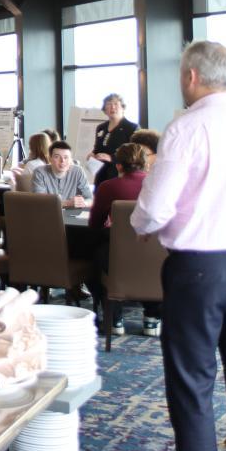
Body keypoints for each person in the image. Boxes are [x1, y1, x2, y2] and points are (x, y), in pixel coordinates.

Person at [131, 41, 226, 451]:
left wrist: (143, 224)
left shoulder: (186, 128)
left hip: (199, 270)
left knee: (192, 386)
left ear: (192, 77)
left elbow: (155, 207)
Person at [85, 143, 159, 336]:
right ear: (146, 164)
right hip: (155, 253)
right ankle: (152, 319)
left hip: (118, 254)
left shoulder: (108, 187)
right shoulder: (158, 186)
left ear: (119, 166)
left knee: (94, 257)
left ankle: (114, 318)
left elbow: (95, 223)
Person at [90, 93, 139, 186]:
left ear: (123, 108)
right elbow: (97, 148)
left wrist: (111, 158)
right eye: (109, 104)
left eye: (116, 104)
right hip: (101, 174)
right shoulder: (101, 128)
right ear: (105, 109)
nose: (112, 107)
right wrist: (93, 154)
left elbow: (135, 154)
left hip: (120, 175)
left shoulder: (132, 128)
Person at [31, 141, 91, 207]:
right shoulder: (40, 172)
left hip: (73, 214)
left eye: (66, 157)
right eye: (57, 157)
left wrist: (84, 203)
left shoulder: (78, 171)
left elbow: (90, 199)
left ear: (71, 159)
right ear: (50, 159)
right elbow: (39, 202)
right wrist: (67, 203)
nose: (62, 161)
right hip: (47, 214)